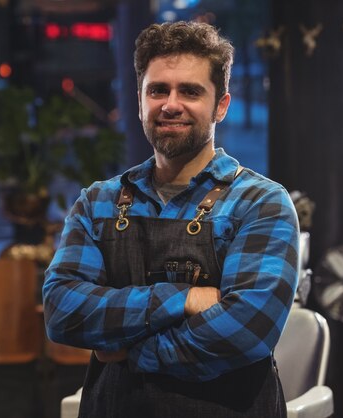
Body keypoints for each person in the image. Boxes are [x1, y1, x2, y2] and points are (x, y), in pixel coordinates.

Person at [43, 21, 300, 417]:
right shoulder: (99, 202)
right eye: (158, 89)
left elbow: (248, 329)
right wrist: (184, 299)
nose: (171, 104)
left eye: (190, 91)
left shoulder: (261, 202)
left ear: (221, 105)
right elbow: (62, 311)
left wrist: (129, 351)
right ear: (140, 99)